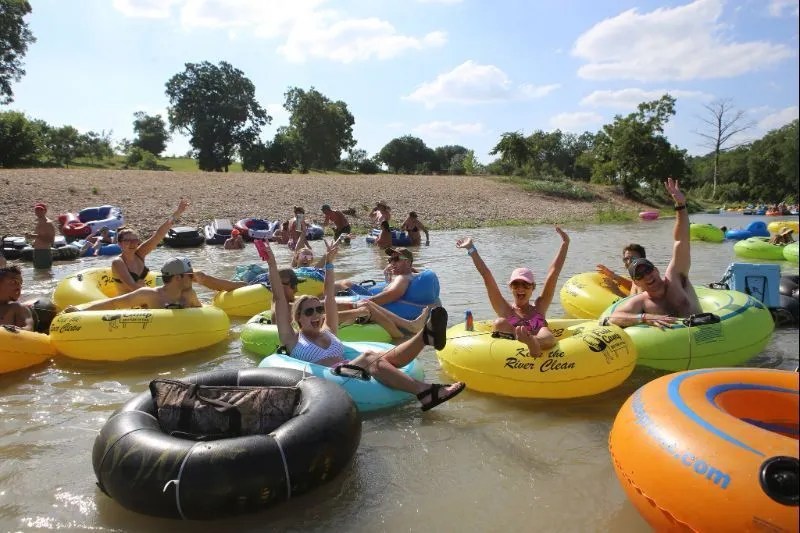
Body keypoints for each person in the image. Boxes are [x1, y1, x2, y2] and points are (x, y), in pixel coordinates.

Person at [264, 237, 465, 411]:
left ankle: (425, 337)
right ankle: (425, 390)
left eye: (318, 310)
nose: (317, 314)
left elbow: (329, 294)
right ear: (298, 317)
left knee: (379, 358)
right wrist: (272, 263)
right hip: (334, 379)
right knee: (370, 357)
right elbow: (280, 299)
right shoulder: (292, 340)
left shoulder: (328, 331)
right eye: (309, 312)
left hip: (351, 372)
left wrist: (330, 263)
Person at [456, 226, 570, 357]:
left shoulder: (540, 306)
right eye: (516, 285)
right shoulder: (505, 309)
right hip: (510, 353)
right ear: (511, 288)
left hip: (538, 342)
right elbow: (486, 275)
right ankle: (526, 341)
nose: (520, 288)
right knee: (500, 323)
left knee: (545, 331)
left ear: (533, 287)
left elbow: (553, 273)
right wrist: (471, 248)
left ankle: (532, 342)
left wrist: (565, 243)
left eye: (526, 285)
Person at [608, 178, 702, 328]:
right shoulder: (641, 301)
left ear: (656, 270)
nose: (647, 276)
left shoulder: (675, 280)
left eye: (648, 269)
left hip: (704, 335)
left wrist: (680, 205)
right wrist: (644, 317)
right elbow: (613, 318)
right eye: (640, 275)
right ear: (636, 282)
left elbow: (681, 241)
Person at [64, 257, 201, 312]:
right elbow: (113, 303)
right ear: (177, 278)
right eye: (190, 275)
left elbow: (205, 316)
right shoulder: (149, 295)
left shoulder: (189, 295)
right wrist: (80, 312)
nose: (193, 278)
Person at [112, 199, 189, 293]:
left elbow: (158, 235)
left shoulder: (140, 254)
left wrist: (177, 213)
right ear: (119, 243)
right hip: (129, 303)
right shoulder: (118, 262)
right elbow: (132, 286)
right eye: (127, 241)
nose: (132, 243)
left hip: (144, 299)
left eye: (135, 240)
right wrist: (158, 296)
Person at [0, 266, 34, 330]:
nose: (19, 287)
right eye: (14, 282)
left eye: (21, 284)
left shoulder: (18, 308)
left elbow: (29, 328)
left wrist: (19, 329)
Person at [26, 203, 56, 270]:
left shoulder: (48, 223)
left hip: (44, 252)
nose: (38, 212)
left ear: (45, 211)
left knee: (45, 274)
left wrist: (35, 236)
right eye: (36, 210)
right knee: (37, 273)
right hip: (37, 251)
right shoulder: (39, 222)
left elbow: (51, 240)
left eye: (40, 210)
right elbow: (38, 237)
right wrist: (31, 238)